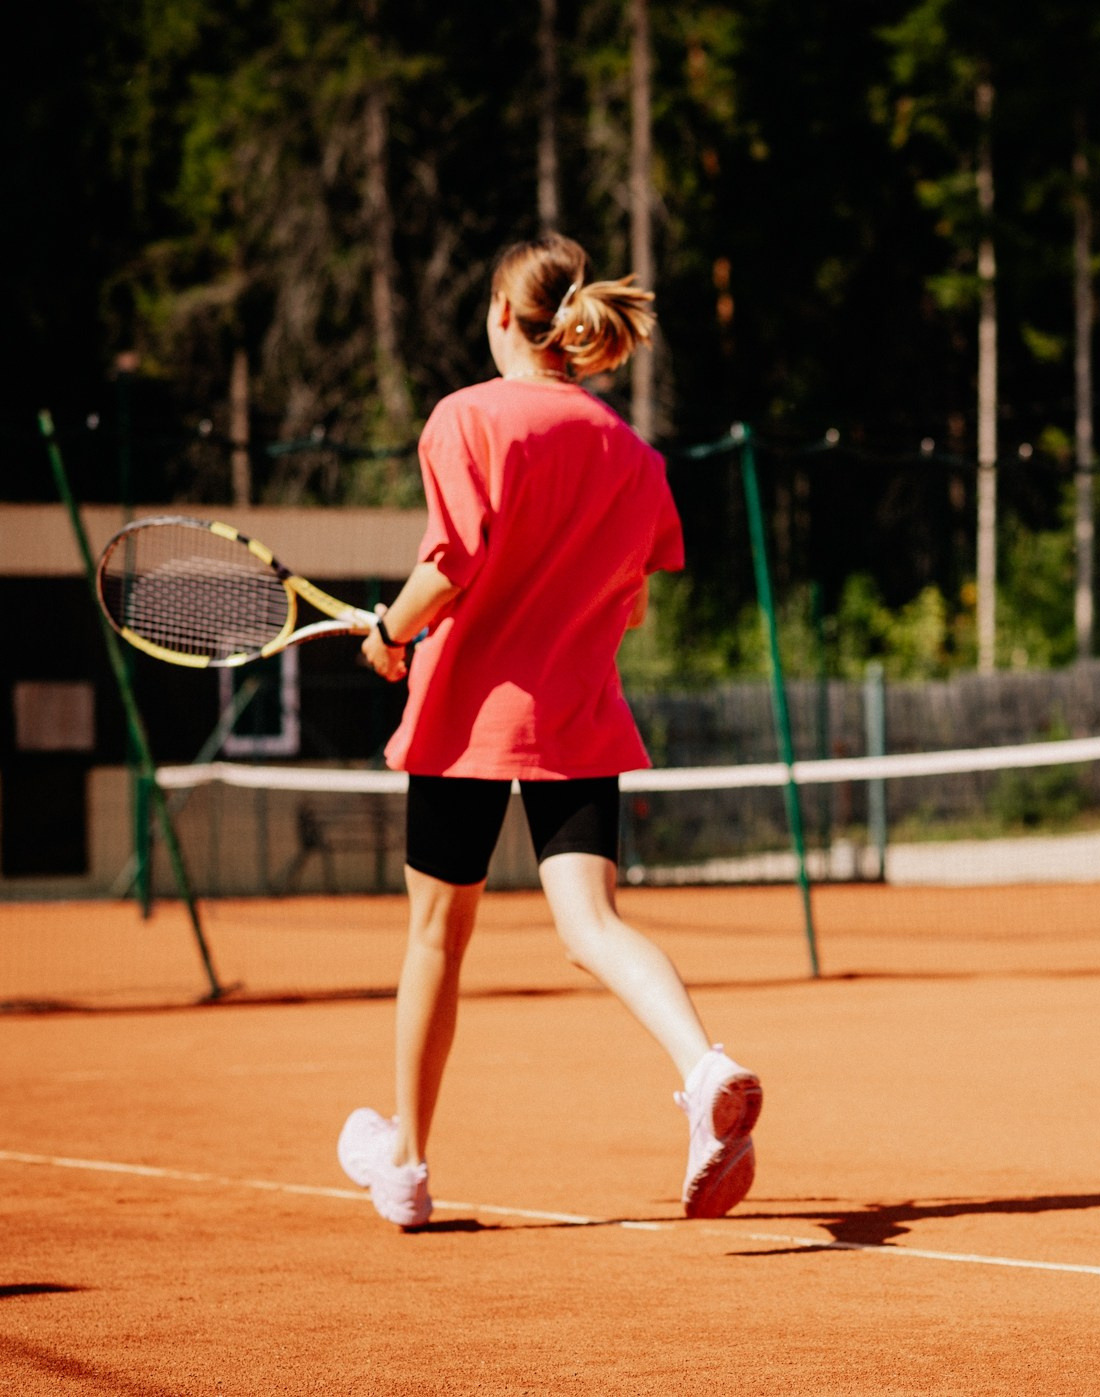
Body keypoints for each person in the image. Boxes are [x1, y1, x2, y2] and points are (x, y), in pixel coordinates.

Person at [336, 233, 760, 1230]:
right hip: (577, 713)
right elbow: (632, 604)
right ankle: (705, 1068)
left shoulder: (465, 419)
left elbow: (450, 564)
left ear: (498, 316)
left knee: (438, 935)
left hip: (468, 719)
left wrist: (391, 632)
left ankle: (406, 1164)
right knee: (593, 927)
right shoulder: (631, 452)